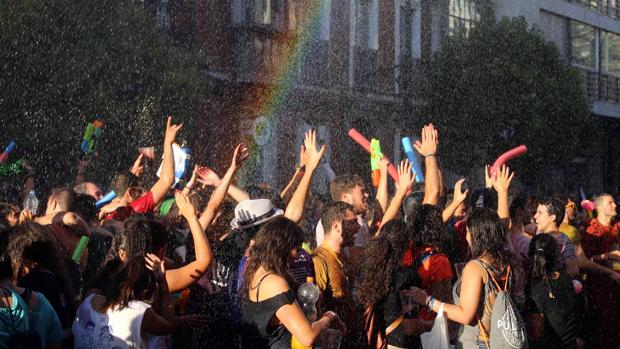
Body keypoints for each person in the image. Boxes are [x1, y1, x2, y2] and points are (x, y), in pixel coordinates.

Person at [406, 166, 517, 349]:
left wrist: (427, 300)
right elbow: (502, 228)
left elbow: (466, 315)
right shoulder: (503, 261)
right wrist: (502, 194)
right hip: (497, 340)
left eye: (468, 231)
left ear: (476, 234)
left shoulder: (475, 268)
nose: (465, 235)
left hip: (478, 343)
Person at [240, 217, 344, 348]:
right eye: (296, 249)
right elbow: (307, 336)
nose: (298, 256)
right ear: (281, 247)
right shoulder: (275, 283)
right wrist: (329, 317)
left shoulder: (256, 271)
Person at [359, 220, 433, 349]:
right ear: (407, 244)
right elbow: (409, 326)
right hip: (399, 344)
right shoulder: (407, 277)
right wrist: (432, 325)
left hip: (373, 341)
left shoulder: (367, 272)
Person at [73, 255, 173, 348]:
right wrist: (162, 281)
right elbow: (168, 326)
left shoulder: (90, 298)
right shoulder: (139, 311)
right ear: (145, 292)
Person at [312, 201, 360, 347]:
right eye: (352, 223)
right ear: (336, 226)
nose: (358, 227)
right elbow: (315, 310)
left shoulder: (344, 255)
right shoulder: (319, 260)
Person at [580, 193, 620, 347]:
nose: (615, 205)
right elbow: (584, 262)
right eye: (611, 203)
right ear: (601, 208)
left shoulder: (617, 228)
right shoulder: (592, 230)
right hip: (601, 293)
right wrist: (607, 256)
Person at [526, 233, 579, 349]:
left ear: (530, 255)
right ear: (556, 256)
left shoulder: (533, 288)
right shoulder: (566, 279)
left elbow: (536, 332)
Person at [533, 197, 579, 278]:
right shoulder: (539, 232)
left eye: (540, 213)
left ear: (552, 217)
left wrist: (549, 278)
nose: (535, 216)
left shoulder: (564, 242)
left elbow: (574, 271)